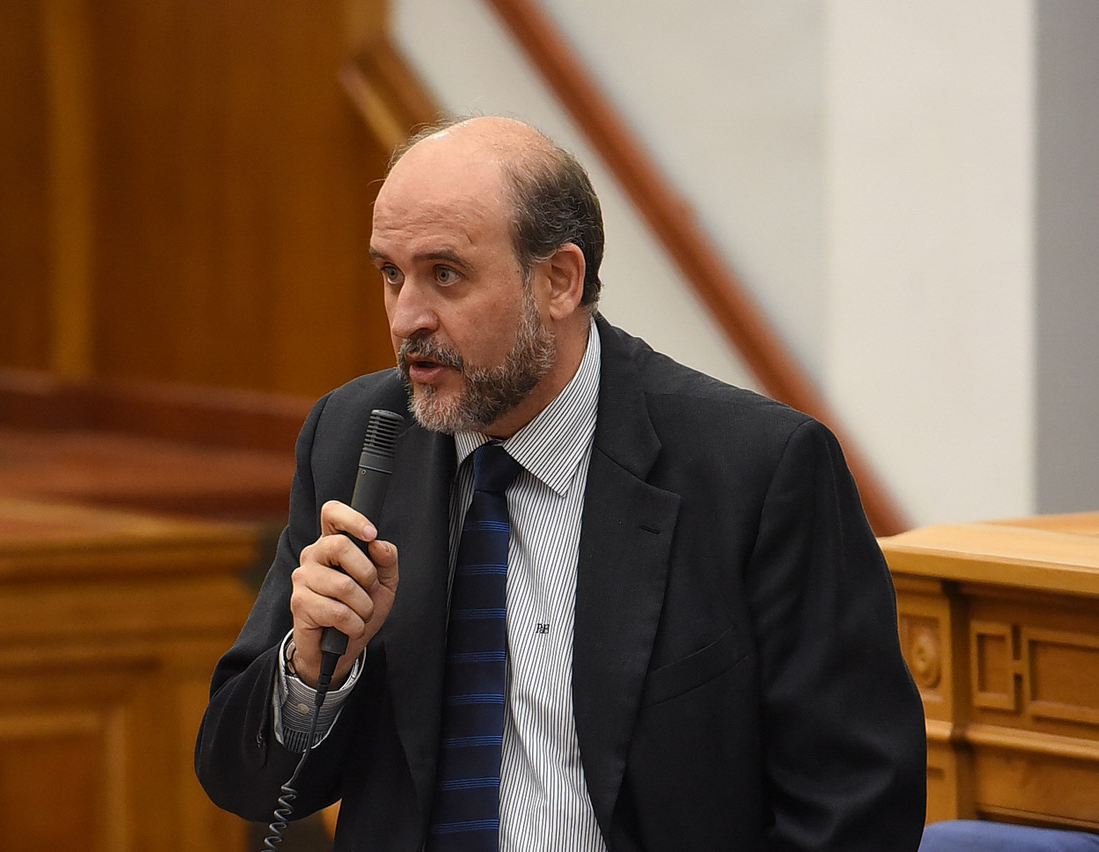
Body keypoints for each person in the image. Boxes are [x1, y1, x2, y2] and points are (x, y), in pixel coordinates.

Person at [195, 115, 927, 851]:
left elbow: (856, 809)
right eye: (392, 274)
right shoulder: (358, 436)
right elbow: (239, 779)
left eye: (444, 274)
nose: (407, 317)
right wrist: (310, 668)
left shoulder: (757, 473)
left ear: (559, 281)